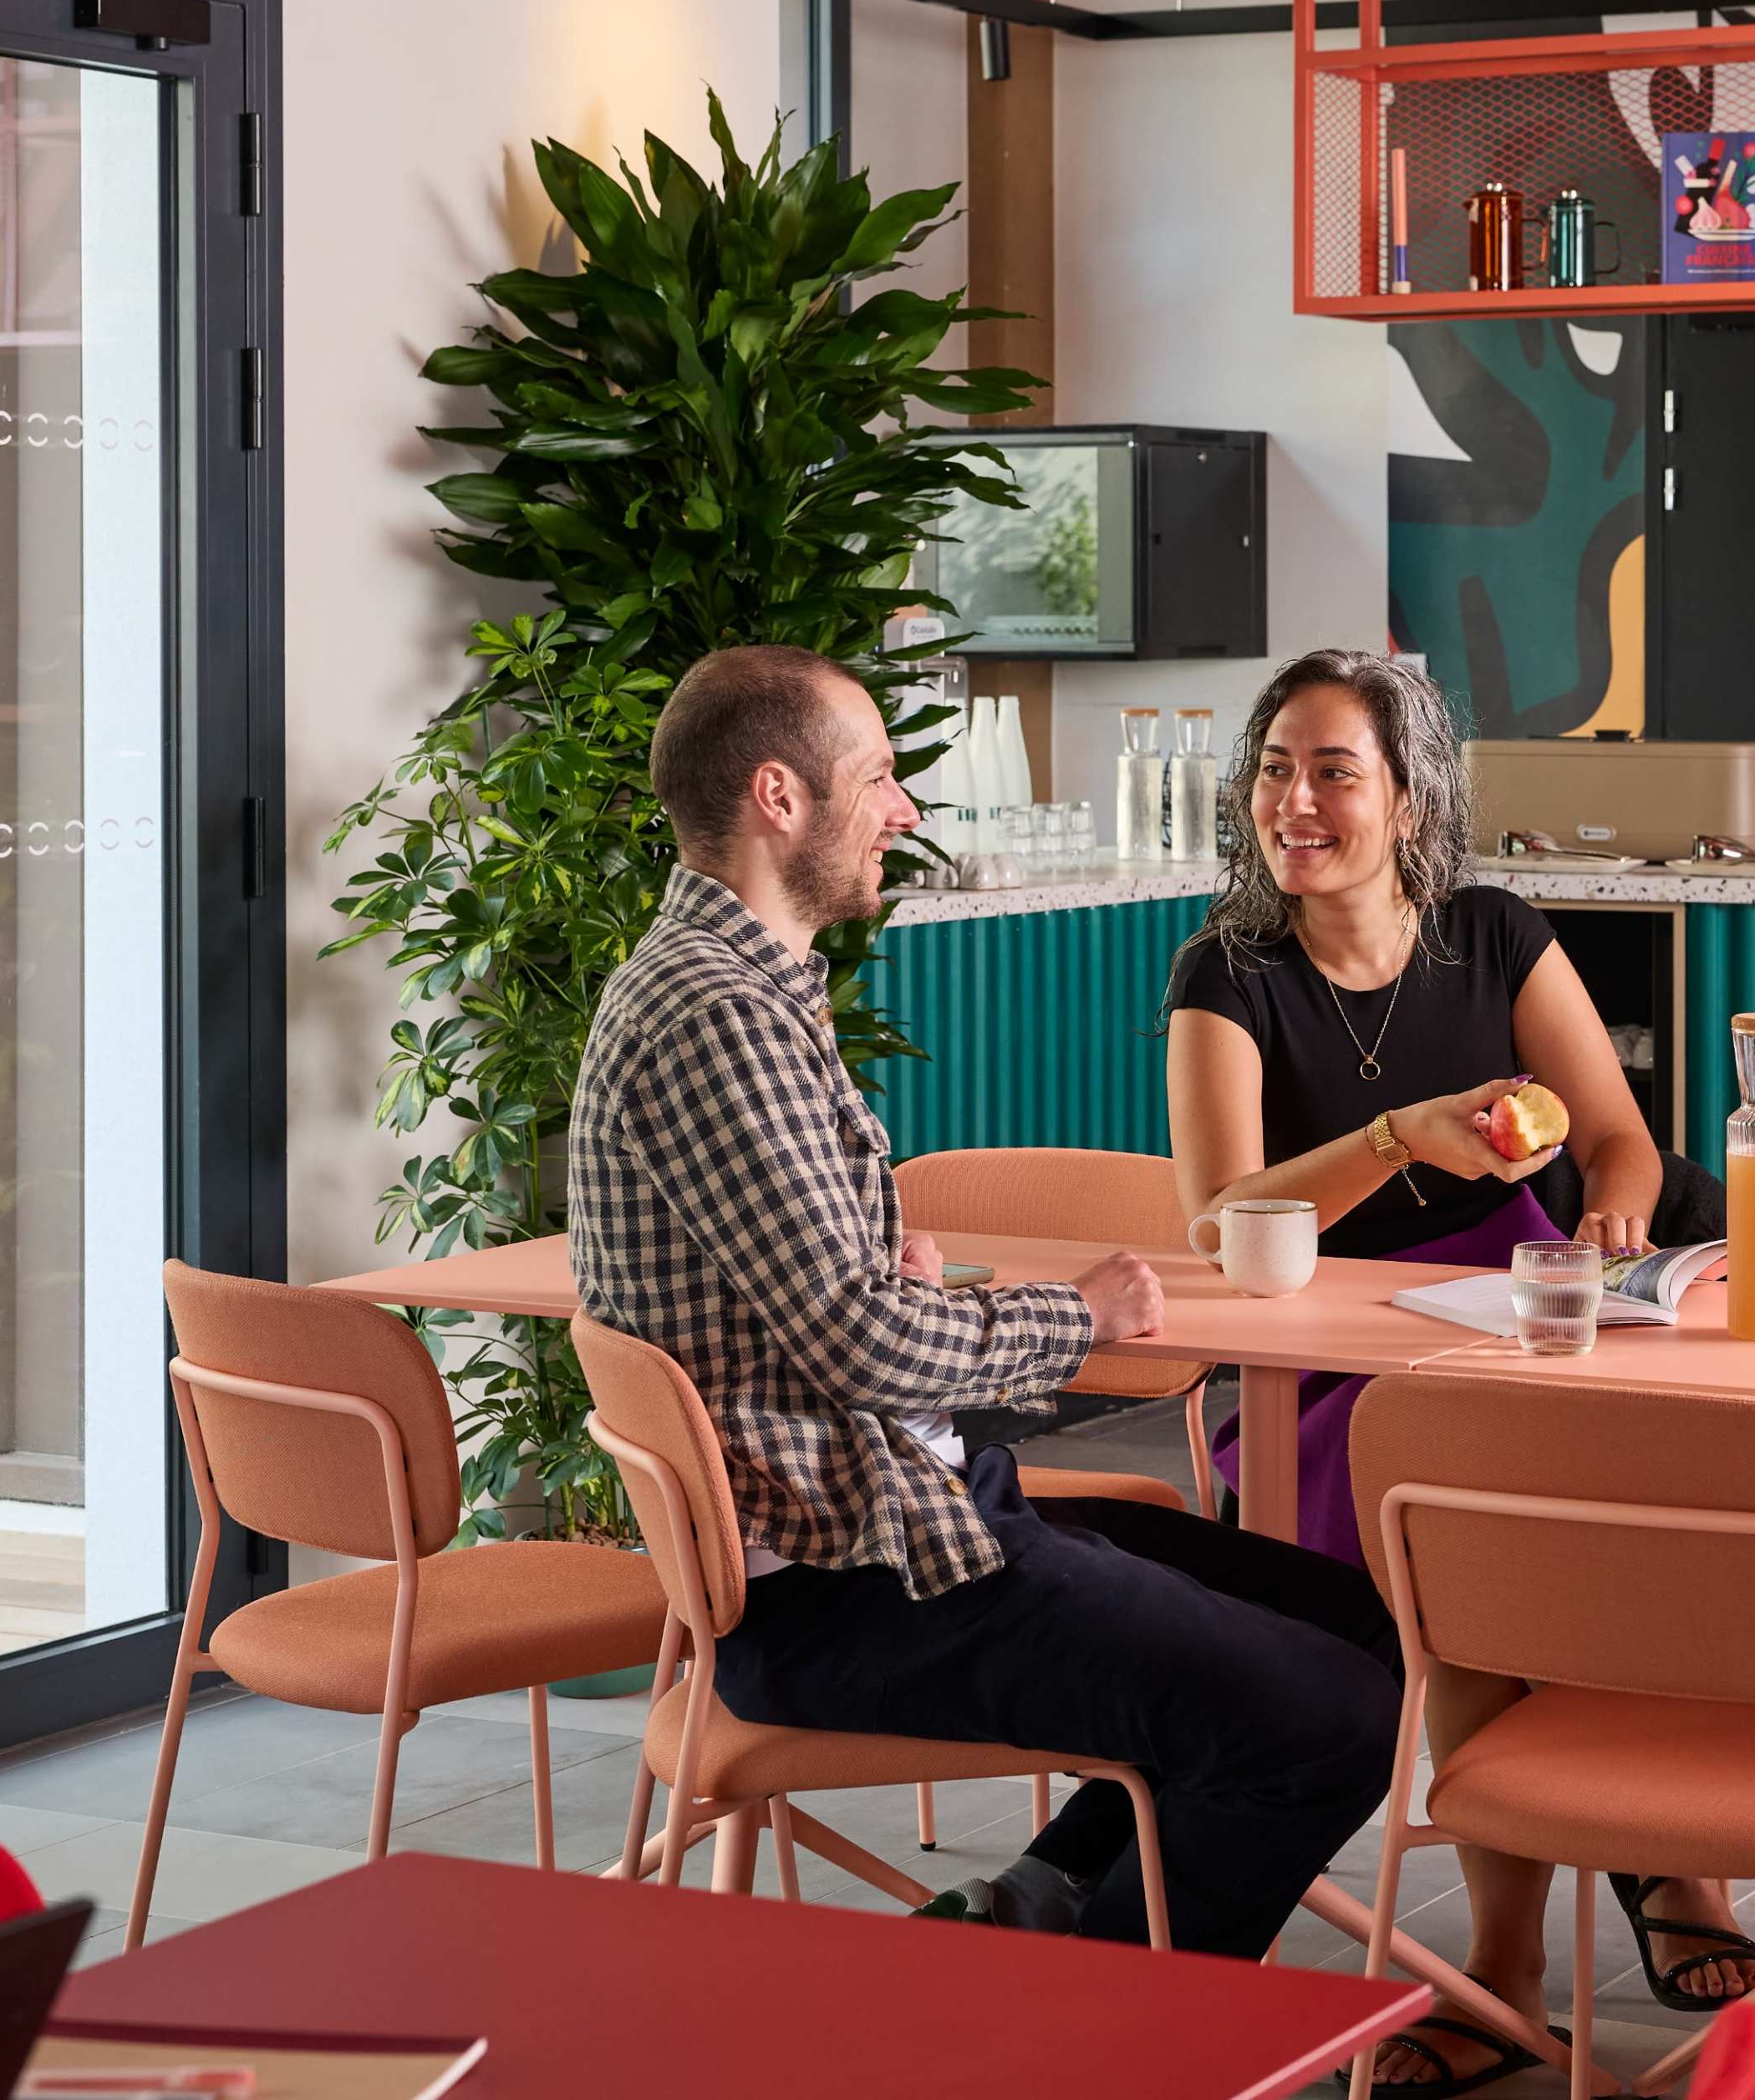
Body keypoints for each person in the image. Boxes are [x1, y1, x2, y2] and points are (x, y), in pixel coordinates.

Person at [570, 643, 1400, 1961]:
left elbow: (828, 1308)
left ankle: (1043, 1903)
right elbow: (855, 1339)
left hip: (905, 1515)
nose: (904, 808)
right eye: (881, 776)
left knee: (1353, 1618)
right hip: (857, 1583)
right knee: (1330, 1722)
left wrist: (899, 1272)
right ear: (779, 798)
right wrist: (1082, 1314)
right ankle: (1105, 2036)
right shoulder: (714, 1014)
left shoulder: (745, 986)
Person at [1165, 648, 1755, 2092]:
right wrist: (1395, 1139)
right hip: (1310, 1377)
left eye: (1332, 771)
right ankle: (1510, 1962)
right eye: (1276, 769)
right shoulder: (1225, 972)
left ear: (1410, 794)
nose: (1294, 802)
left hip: (1516, 1322)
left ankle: (1662, 1855)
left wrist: (1615, 1209)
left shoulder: (1493, 934)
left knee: (1676, 1508)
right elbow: (1218, 1219)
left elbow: (1618, 1136)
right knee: (1487, 1531)